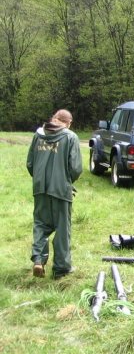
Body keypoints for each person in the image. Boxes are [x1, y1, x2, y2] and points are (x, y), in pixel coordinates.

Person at [26, 109, 83, 279]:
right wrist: (67, 182)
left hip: (40, 188)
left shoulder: (38, 135)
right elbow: (76, 168)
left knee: (40, 224)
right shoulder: (70, 137)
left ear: (54, 119)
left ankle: (38, 259)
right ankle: (61, 268)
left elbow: (30, 163)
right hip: (60, 190)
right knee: (62, 229)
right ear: (68, 122)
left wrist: (38, 179)